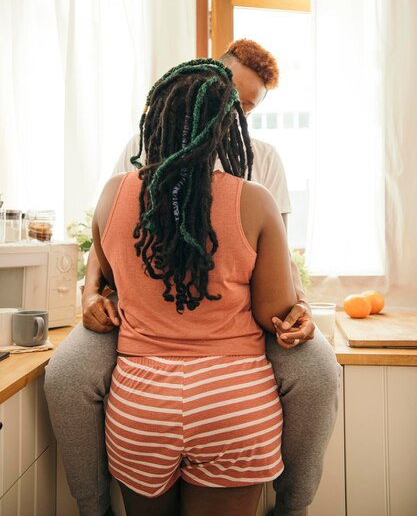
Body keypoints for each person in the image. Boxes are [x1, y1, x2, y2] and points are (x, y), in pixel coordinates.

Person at [45, 40, 341, 516]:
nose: (239, 114)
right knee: (66, 375)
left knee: (319, 372)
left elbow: (280, 257)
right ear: (210, 82)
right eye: (232, 102)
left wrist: (300, 308)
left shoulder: (263, 162)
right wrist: (89, 292)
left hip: (150, 381)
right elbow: (104, 253)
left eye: (248, 106)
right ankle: (90, 505)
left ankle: (294, 505)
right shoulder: (139, 157)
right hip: (158, 325)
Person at [93, 58, 297, 515]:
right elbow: (274, 312)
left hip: (140, 404)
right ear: (229, 127)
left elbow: (108, 278)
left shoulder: (112, 194)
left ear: (156, 118)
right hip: (234, 404)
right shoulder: (255, 201)